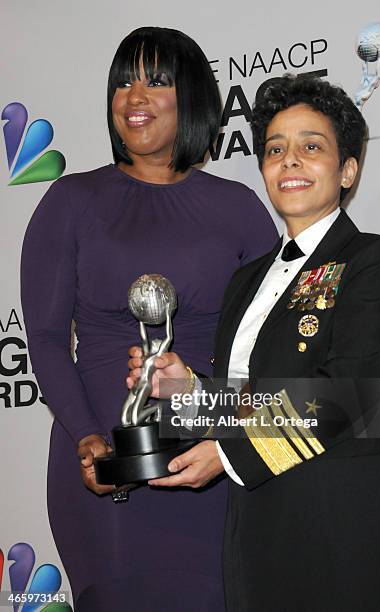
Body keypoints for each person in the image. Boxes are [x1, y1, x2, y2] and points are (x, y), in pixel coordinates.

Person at [128, 75, 380, 611]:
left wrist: (228, 454)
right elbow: (249, 401)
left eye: (311, 146)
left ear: (348, 170)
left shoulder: (377, 259)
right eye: (275, 149)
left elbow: (354, 395)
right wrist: (186, 391)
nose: (290, 161)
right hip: (257, 525)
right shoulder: (246, 280)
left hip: (346, 526)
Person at [20, 27, 278, 611]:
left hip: (214, 457)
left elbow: (267, 350)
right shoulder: (70, 201)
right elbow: (45, 340)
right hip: (104, 469)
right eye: (123, 82)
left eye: (156, 81)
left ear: (193, 99)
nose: (134, 96)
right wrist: (88, 437)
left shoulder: (238, 207)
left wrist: (226, 428)